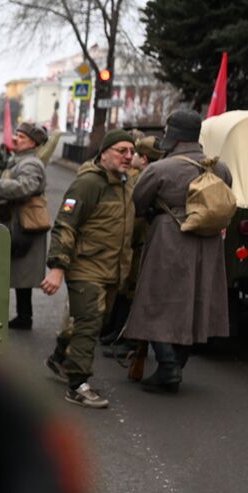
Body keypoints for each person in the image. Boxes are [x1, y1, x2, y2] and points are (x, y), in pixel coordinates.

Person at [124, 109, 234, 392]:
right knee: (195, 301)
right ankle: (175, 363)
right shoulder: (220, 168)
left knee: (157, 299)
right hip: (208, 243)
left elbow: (138, 202)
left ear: (172, 134)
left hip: (170, 239)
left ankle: (168, 366)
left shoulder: (160, 169)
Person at [40, 128, 137, 408]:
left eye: (131, 152)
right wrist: (57, 268)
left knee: (91, 321)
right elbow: (65, 226)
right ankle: (77, 385)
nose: (128, 156)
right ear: (104, 152)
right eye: (121, 150)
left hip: (113, 270)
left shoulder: (125, 185)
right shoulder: (88, 184)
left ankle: (59, 358)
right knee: (89, 323)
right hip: (86, 268)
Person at [0, 121, 49, 330]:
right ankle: (23, 316)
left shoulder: (30, 164)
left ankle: (14, 316)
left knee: (8, 271)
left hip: (21, 226)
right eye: (17, 135)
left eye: (21, 136)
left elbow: (24, 188)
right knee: (18, 273)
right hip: (15, 223)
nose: (15, 139)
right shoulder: (19, 161)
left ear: (33, 143)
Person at [100, 133, 161, 358]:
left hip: (138, 243)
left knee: (132, 290)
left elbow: (135, 216)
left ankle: (127, 339)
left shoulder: (141, 179)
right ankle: (116, 332)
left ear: (143, 158)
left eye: (133, 153)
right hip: (137, 243)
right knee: (126, 290)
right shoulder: (137, 176)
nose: (129, 157)